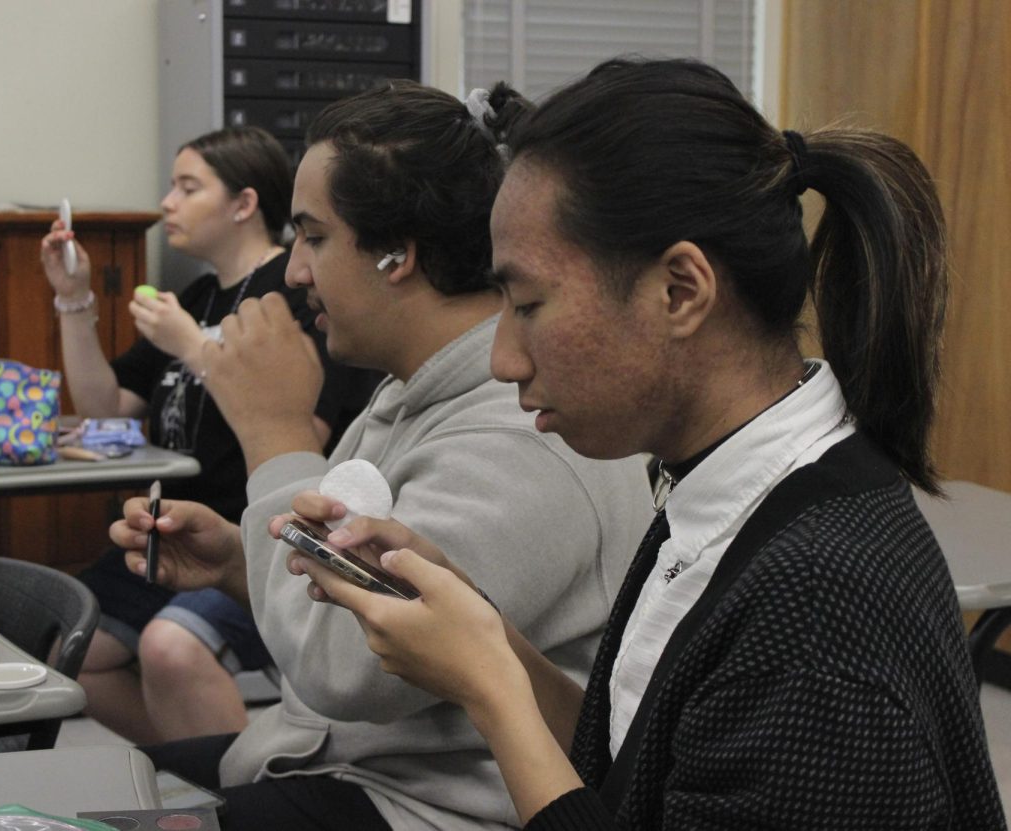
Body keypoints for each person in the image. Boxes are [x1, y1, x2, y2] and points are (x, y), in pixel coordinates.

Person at [284, 58, 1009, 829]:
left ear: (680, 291)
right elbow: (631, 771)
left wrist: (491, 687)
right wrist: (482, 633)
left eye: (528, 304)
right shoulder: (718, 490)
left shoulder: (818, 611)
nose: (504, 358)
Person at [110, 79, 654, 830]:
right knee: (101, 787)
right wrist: (241, 565)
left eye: (314, 236)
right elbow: (351, 594)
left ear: (398, 253)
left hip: (423, 804)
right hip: (348, 764)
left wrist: (276, 433)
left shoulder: (523, 434)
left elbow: (346, 670)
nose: (296, 270)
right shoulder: (414, 391)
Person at [41, 126, 378, 744]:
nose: (168, 202)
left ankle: (234, 786)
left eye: (188, 187)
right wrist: (75, 300)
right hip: (177, 528)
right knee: (68, 649)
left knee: (173, 651)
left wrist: (194, 348)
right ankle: (202, 764)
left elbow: (305, 429)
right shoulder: (196, 297)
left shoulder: (296, 297)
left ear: (243, 204)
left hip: (259, 533)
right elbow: (104, 407)